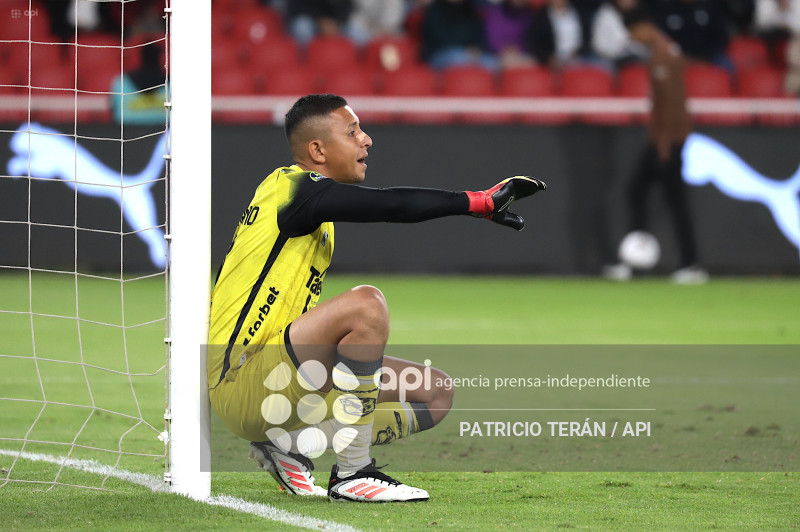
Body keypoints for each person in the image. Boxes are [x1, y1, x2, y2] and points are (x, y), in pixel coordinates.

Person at [207, 94, 546, 502]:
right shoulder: (293, 189)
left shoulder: (314, 212)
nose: (366, 140)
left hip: (284, 383)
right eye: (352, 132)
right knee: (367, 304)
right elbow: (392, 204)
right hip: (245, 379)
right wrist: (478, 202)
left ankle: (292, 445)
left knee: (435, 392)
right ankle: (352, 473)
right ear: (317, 149)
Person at [603, 0, 708, 283]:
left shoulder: (662, 56)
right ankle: (639, 260)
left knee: (671, 200)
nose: (633, 39)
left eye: (633, 33)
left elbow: (672, 106)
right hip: (666, 138)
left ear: (643, 28)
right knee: (642, 192)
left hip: (667, 140)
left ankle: (690, 264)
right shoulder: (667, 50)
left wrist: (664, 144)